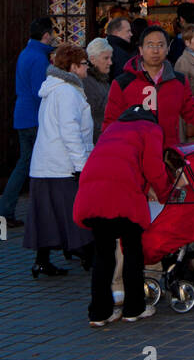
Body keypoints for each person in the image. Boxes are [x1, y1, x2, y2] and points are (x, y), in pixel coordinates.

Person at [73, 102, 174, 326]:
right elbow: (153, 167)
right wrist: (165, 194)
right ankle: (133, 308)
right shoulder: (151, 129)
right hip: (123, 195)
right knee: (132, 251)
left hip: (92, 194)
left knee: (103, 255)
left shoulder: (111, 130)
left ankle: (99, 314)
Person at [104, 26, 194, 146]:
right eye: (150, 45)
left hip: (168, 154)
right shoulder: (123, 83)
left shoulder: (178, 81)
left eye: (160, 45)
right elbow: (110, 123)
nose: (155, 50)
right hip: (134, 155)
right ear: (141, 49)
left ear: (168, 48)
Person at [24, 42, 95, 278]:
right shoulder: (67, 92)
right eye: (84, 64)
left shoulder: (54, 89)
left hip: (45, 164)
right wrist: (81, 165)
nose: (87, 68)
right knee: (74, 213)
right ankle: (89, 255)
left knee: (46, 214)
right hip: (62, 166)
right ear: (74, 67)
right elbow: (70, 131)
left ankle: (42, 261)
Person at [0, 16, 54, 229]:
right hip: (34, 117)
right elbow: (41, 92)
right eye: (52, 34)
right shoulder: (39, 58)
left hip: (23, 115)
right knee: (38, 164)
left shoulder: (26, 53)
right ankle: (10, 210)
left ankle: (5, 209)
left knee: (25, 163)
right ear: (46, 35)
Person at [82, 38, 113, 142]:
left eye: (110, 58)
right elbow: (89, 119)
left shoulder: (102, 79)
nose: (110, 62)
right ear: (92, 59)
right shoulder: (87, 83)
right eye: (106, 58)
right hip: (96, 140)